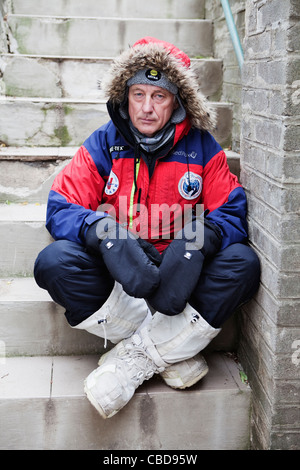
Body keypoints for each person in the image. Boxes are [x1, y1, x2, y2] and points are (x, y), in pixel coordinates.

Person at [34, 37, 260, 419]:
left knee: (243, 263)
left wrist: (200, 238)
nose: (146, 107)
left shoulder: (203, 148)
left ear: (177, 101)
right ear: (125, 96)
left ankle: (133, 357)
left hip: (181, 278)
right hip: (123, 276)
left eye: (159, 96)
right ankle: (171, 348)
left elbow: (233, 210)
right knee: (54, 262)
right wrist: (102, 231)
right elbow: (61, 206)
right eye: (138, 94)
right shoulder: (104, 143)